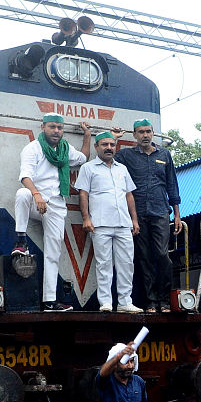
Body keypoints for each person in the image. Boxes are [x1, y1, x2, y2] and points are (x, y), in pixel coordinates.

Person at [12, 113, 85, 311]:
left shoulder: (65, 149)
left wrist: (87, 136)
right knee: (22, 194)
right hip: (37, 200)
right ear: (43, 126)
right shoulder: (32, 148)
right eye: (52, 127)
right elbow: (25, 176)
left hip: (57, 205)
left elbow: (82, 158)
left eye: (59, 128)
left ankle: (50, 301)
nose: (56, 131)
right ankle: (20, 241)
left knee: (53, 253)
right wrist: (36, 194)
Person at [118, 119, 181, 312]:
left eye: (148, 131)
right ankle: (152, 301)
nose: (145, 135)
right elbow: (107, 156)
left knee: (162, 255)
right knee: (144, 257)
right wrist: (113, 137)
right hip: (138, 214)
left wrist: (177, 215)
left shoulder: (165, 155)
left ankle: (164, 298)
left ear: (153, 133)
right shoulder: (126, 155)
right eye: (141, 132)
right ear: (134, 135)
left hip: (161, 211)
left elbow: (172, 185)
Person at [76, 128, 141, 313]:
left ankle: (125, 302)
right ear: (97, 147)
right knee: (104, 264)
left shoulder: (123, 169)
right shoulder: (88, 168)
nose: (109, 147)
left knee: (127, 264)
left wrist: (134, 220)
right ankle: (105, 302)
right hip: (100, 224)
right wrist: (86, 218)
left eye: (112, 144)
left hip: (123, 223)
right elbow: (83, 194)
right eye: (105, 144)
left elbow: (129, 195)